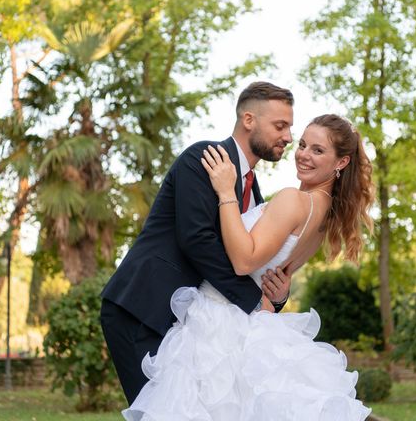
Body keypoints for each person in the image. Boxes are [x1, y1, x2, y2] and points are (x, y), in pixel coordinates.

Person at [122, 114, 375, 420]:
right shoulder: (324, 218)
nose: (304, 155)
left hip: (219, 323)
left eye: (318, 150)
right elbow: (276, 276)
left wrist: (226, 192)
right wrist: (280, 295)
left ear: (341, 162)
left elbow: (243, 261)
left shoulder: (293, 200)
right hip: (250, 320)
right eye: (304, 144)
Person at [100, 81, 296, 404]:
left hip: (190, 324)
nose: (288, 136)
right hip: (143, 310)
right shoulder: (204, 158)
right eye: (280, 125)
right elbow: (196, 239)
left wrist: (274, 296)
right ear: (249, 120)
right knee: (159, 412)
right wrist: (252, 300)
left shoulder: (253, 188)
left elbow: (247, 257)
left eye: (289, 127)